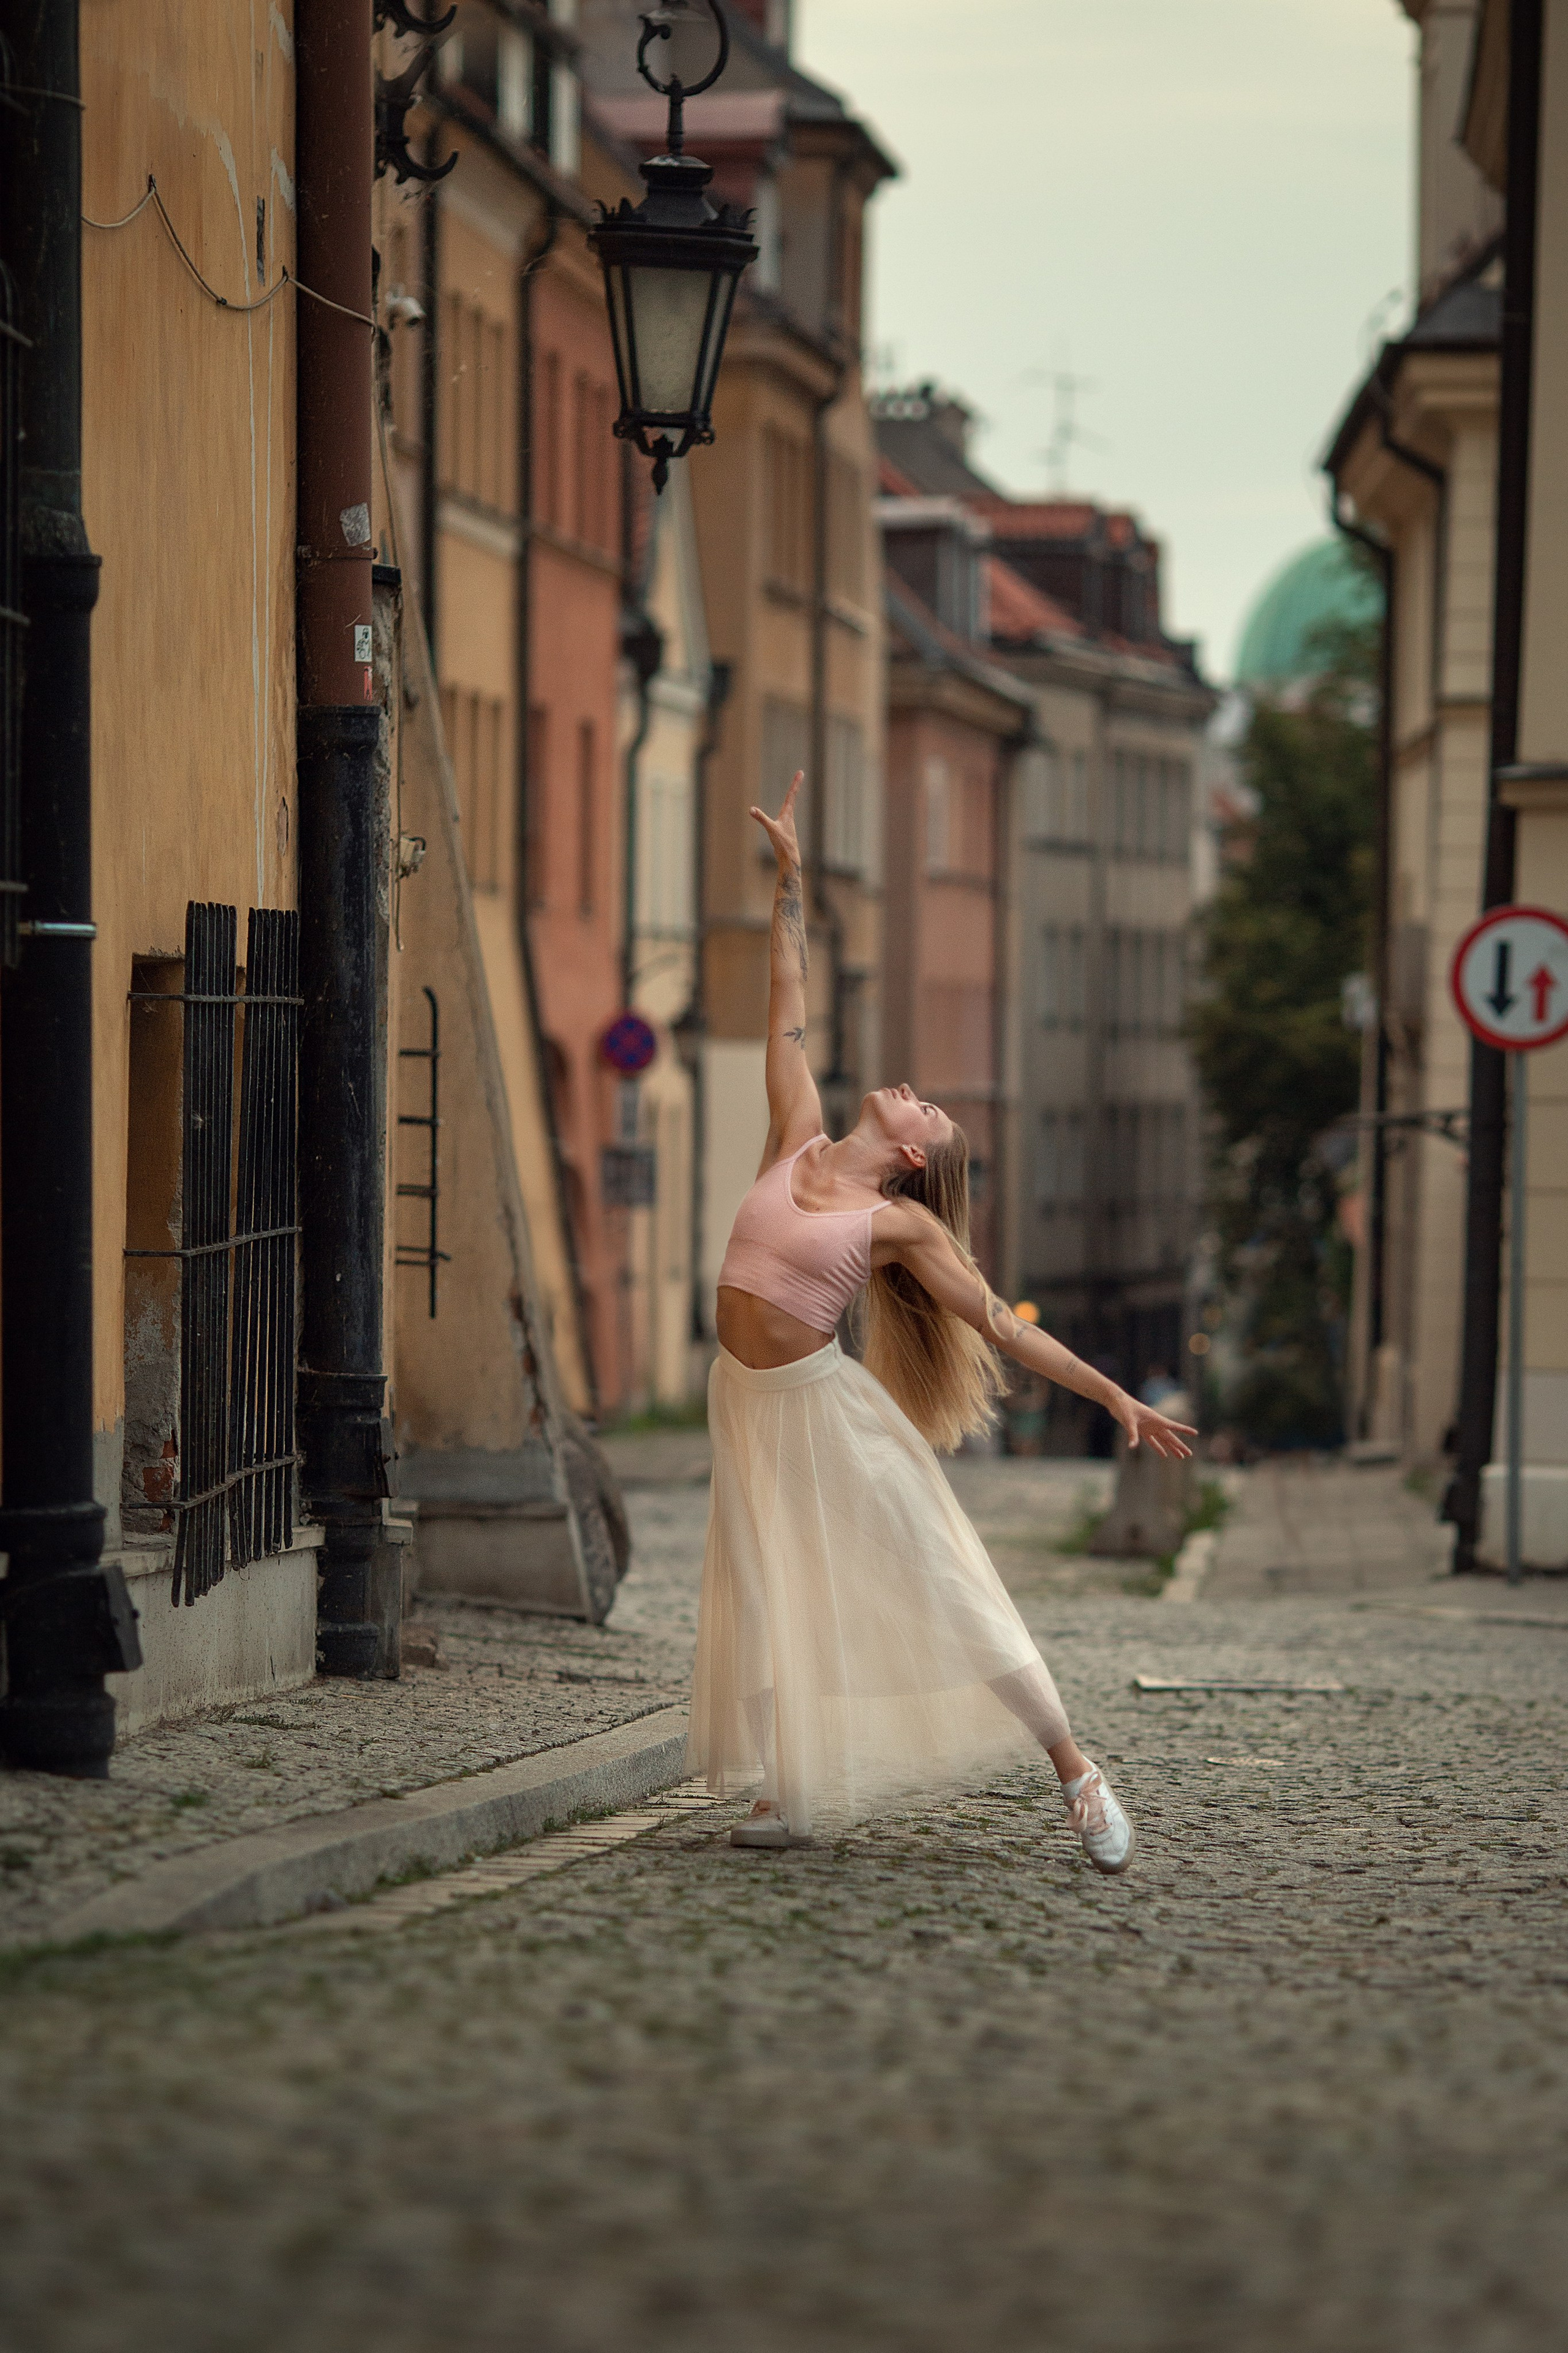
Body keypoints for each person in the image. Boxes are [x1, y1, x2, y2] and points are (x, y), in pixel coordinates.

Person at [689, 776, 1196, 1873]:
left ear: (915, 1152)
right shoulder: (797, 1135)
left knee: (942, 1579)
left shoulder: (901, 1222)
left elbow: (1005, 1330)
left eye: (926, 1106)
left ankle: (1079, 1773)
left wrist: (1114, 1396)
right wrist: (793, 881)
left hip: (827, 1414)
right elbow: (786, 999)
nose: (910, 1088)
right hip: (744, 1399)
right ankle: (790, 1786)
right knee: (766, 1583)